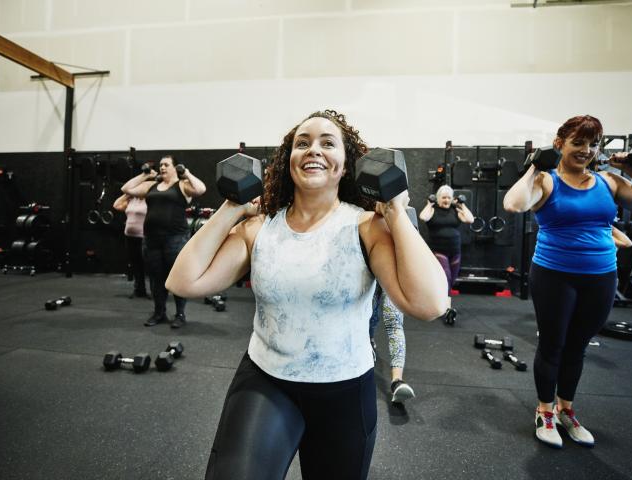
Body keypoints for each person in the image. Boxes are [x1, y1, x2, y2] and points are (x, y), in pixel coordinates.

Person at [166, 110, 448, 479]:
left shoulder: (367, 228)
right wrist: (232, 207)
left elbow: (430, 304)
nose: (313, 150)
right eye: (303, 143)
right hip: (267, 382)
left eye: (327, 143)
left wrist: (395, 212)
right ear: (289, 161)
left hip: (345, 391)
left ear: (347, 166)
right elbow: (183, 282)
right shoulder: (259, 228)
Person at [503, 114, 632, 448]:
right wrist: (535, 166)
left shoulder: (609, 182)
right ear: (560, 144)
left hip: (600, 277)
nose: (586, 150)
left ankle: (566, 410)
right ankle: (545, 412)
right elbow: (513, 204)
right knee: (553, 344)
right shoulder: (547, 181)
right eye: (578, 142)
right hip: (554, 275)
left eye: (593, 143)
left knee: (578, 347)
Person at [121, 156, 206, 328]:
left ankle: (180, 314)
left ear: (176, 168)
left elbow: (201, 189)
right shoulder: (150, 185)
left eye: (166, 165)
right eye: (161, 165)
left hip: (175, 239)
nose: (162, 167)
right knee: (156, 278)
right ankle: (159, 312)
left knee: (176, 278)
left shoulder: (182, 186)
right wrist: (145, 175)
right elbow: (126, 188)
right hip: (152, 240)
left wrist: (187, 173)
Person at [418, 184, 475, 325]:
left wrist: (461, 205)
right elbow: (423, 217)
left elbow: (470, 219)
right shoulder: (433, 210)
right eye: (443, 197)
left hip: (455, 250)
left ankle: (442, 305)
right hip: (439, 250)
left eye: (449, 197)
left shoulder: (455, 210)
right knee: (446, 278)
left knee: (452, 280)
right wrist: (430, 204)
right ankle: (447, 308)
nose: (446, 200)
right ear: (438, 198)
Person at [369, 283, 414, 404]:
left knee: (393, 322)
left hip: (382, 271)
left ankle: (397, 381)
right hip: (386, 272)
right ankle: (397, 381)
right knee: (375, 317)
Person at [112, 193, 149, 299]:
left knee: (148, 264)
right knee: (136, 264)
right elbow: (116, 205)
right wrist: (128, 193)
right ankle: (139, 290)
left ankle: (157, 292)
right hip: (130, 236)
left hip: (144, 236)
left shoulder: (151, 199)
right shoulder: (132, 199)